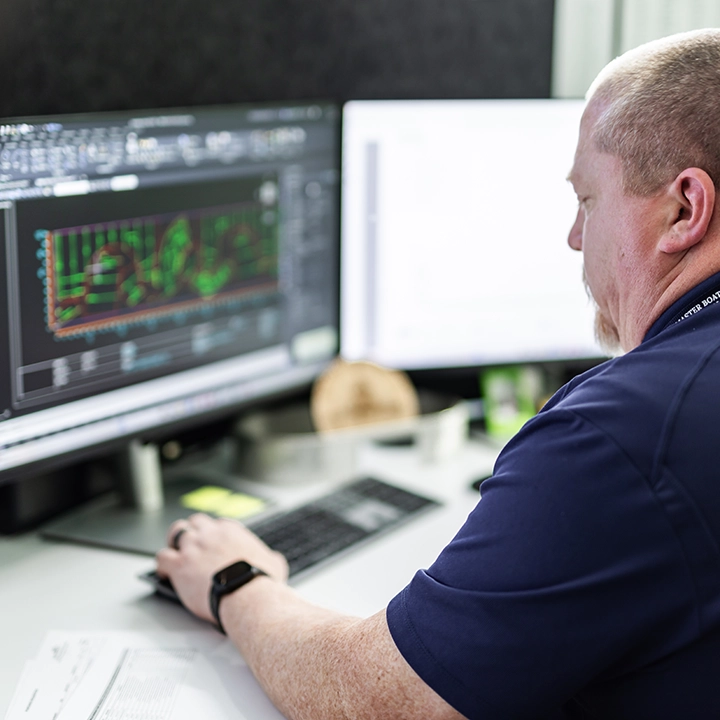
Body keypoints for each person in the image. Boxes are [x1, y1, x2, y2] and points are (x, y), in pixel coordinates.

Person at [156, 29, 720, 719]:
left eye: (587, 201)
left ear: (684, 209)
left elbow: (373, 701)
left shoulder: (626, 432)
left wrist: (236, 581)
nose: (575, 236)